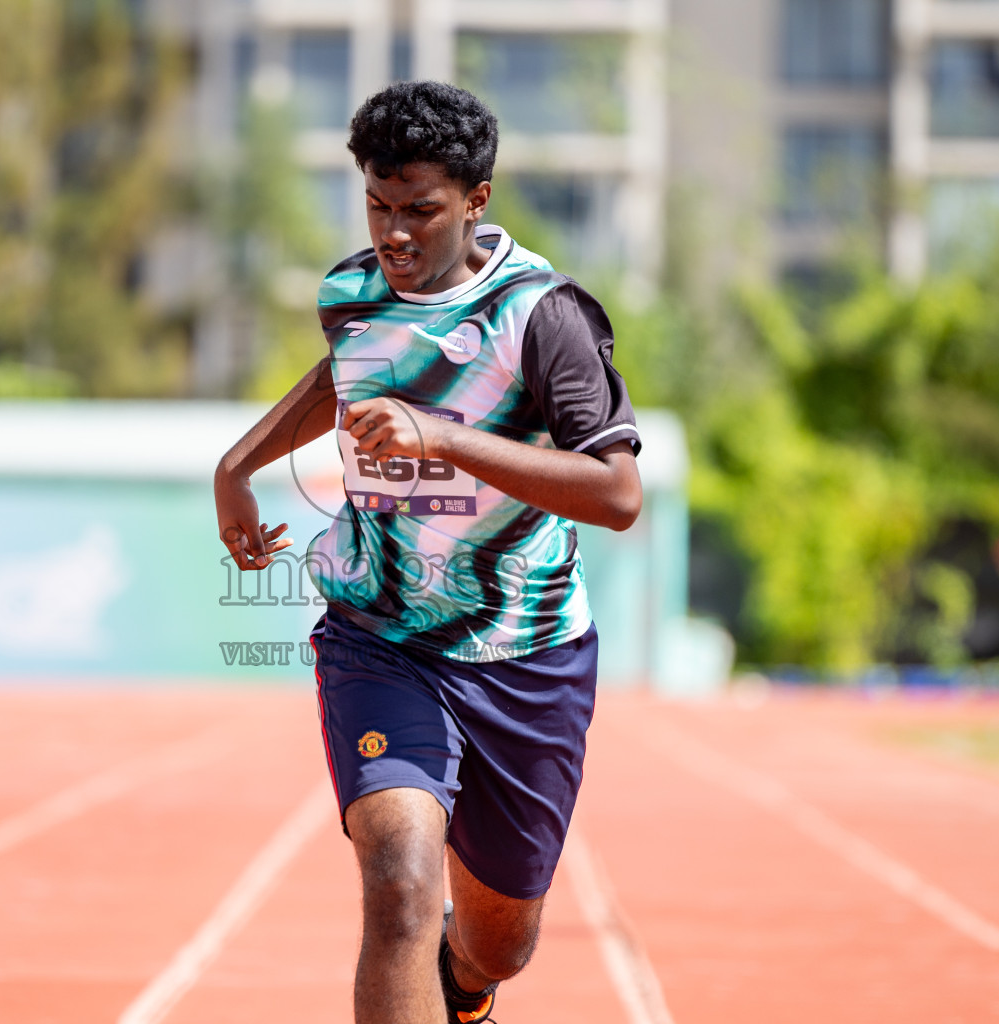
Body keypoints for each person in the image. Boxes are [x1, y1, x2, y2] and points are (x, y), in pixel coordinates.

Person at [215, 82, 642, 1024]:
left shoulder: (544, 316)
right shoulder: (350, 292)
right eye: (378, 204)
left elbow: (617, 494)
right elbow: (345, 371)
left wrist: (441, 439)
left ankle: (468, 984)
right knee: (400, 884)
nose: (394, 234)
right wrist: (238, 465)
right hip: (382, 635)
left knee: (501, 942)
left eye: (421, 210)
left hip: (526, 654)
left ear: (477, 200)